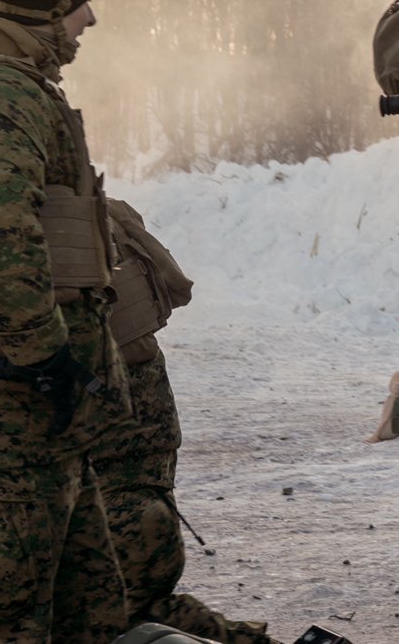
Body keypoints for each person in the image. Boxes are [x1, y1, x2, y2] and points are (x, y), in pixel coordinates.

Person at [0, 0, 131, 640]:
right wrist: (40, 355)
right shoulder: (5, 91)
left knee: (87, 605)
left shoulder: (20, 85)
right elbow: (0, 230)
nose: (89, 18)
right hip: (16, 400)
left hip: (34, 405)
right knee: (15, 606)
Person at [94, 198, 276, 644]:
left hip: (112, 439)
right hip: (134, 432)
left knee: (116, 601)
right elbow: (173, 286)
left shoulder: (29, 225)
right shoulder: (94, 208)